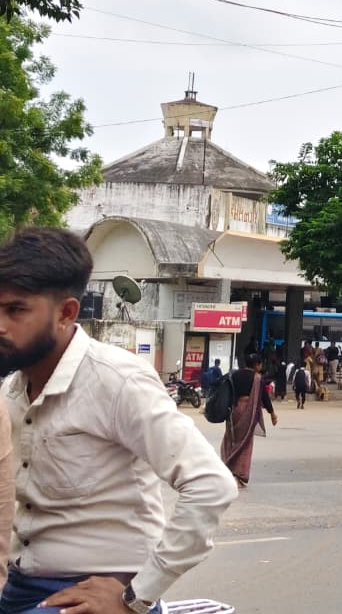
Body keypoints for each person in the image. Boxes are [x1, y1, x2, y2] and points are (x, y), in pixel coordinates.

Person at [0, 227, 237, 614]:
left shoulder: (117, 381)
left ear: (66, 313)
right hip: (20, 587)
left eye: (16, 310)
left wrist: (136, 596)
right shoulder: (11, 389)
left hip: (94, 595)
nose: (1, 325)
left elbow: (211, 484)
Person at [221, 352, 278, 488]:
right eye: (260, 364)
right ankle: (238, 474)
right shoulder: (257, 378)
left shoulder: (234, 375)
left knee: (232, 440)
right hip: (248, 411)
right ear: (256, 365)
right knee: (245, 443)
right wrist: (272, 413)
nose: (261, 366)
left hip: (233, 411)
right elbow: (264, 397)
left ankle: (227, 470)